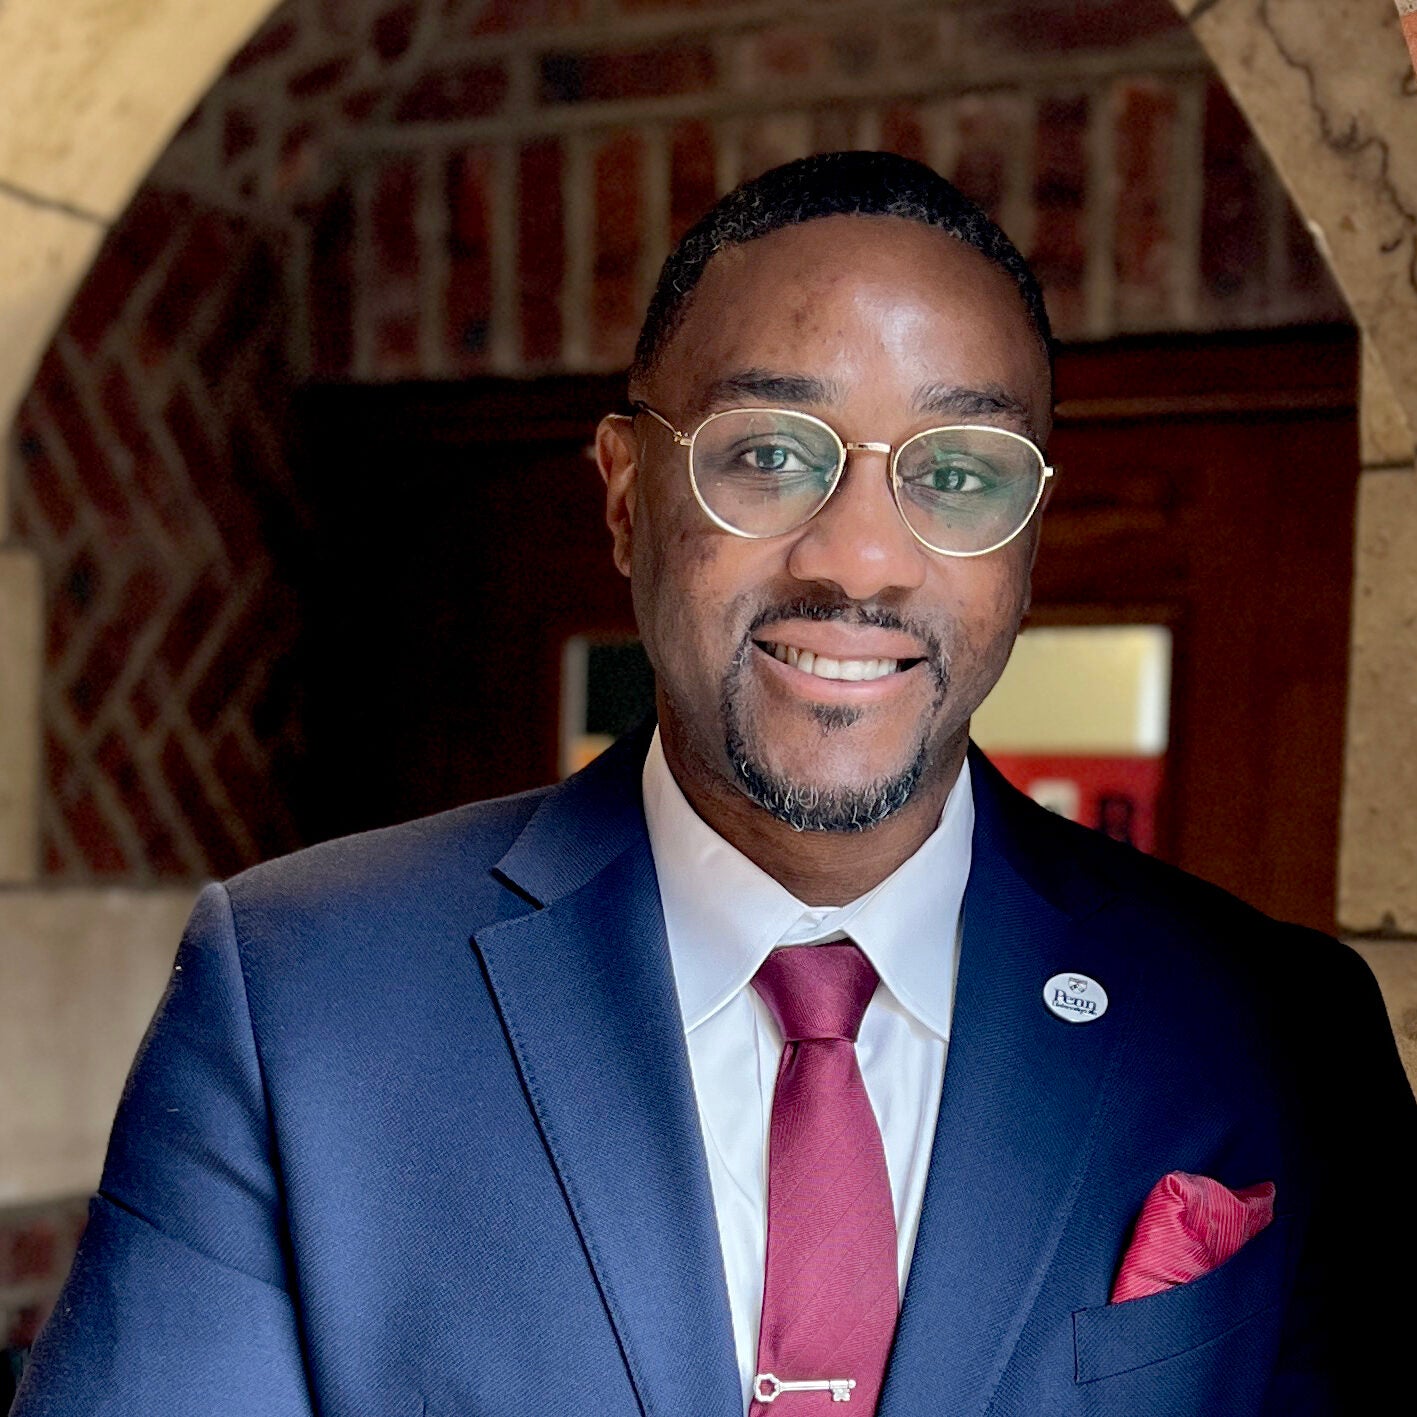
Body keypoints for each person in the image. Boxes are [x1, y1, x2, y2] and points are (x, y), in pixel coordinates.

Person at [14, 152, 1416, 1417]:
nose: (856, 558)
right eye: (766, 454)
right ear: (627, 495)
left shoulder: (1273, 1033)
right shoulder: (300, 996)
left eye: (959, 474)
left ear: (1030, 542)